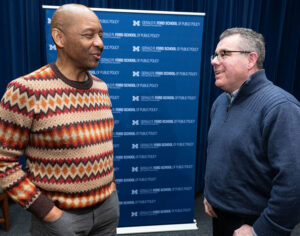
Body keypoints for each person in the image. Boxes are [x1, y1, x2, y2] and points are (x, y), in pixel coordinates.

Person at [0, 4, 119, 235]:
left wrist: (111, 191)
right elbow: (3, 162)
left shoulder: (101, 88)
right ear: (59, 38)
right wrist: (48, 213)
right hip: (59, 219)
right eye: (89, 35)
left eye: (101, 35)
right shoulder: (25, 90)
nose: (100, 43)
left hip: (107, 211)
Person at [204, 27, 300, 236]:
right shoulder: (220, 102)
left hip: (253, 225)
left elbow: (293, 181)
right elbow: (221, 155)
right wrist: (210, 194)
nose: (214, 61)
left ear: (251, 60)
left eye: (224, 54)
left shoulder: (280, 107)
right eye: (215, 54)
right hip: (219, 217)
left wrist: (263, 230)